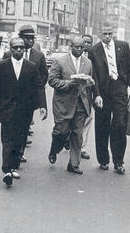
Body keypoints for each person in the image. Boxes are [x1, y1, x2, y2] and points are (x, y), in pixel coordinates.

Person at [0, 37, 47, 186]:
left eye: (21, 47)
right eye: (15, 47)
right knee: (7, 140)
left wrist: (42, 106)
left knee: (19, 140)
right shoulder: (1, 66)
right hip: (6, 109)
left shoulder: (31, 67)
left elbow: (39, 87)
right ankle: (7, 170)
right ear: (10, 49)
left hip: (24, 111)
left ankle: (13, 166)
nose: (19, 50)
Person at [88, 22, 130, 174]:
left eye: (109, 34)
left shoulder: (123, 46)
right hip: (103, 92)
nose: (107, 37)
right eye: (104, 34)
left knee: (120, 124)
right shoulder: (94, 51)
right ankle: (103, 160)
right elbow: (93, 75)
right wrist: (97, 94)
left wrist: (126, 84)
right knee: (102, 126)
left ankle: (119, 161)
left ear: (113, 33)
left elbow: (129, 67)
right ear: (100, 33)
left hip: (119, 89)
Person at [47, 37, 94, 174]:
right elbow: (52, 80)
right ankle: (54, 149)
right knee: (61, 131)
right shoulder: (60, 61)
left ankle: (73, 164)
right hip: (64, 103)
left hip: (81, 103)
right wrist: (68, 84)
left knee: (77, 134)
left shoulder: (88, 63)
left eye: (82, 47)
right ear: (71, 47)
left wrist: (89, 85)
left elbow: (91, 82)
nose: (79, 49)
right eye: (77, 47)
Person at [3, 25, 48, 161]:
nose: (31, 41)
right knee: (11, 129)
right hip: (11, 100)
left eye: (32, 38)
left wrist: (36, 95)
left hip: (28, 100)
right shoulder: (8, 54)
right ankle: (12, 154)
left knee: (24, 129)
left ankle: (20, 152)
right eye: (27, 38)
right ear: (20, 38)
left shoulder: (39, 56)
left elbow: (44, 76)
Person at [80, 34, 94, 160]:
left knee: (88, 119)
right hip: (73, 93)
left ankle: (82, 147)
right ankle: (69, 139)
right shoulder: (73, 55)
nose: (86, 45)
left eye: (89, 42)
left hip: (88, 93)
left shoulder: (94, 57)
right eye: (85, 42)